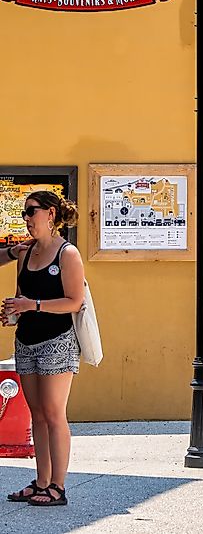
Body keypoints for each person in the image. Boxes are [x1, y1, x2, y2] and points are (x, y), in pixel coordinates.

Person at [1, 190, 85, 507]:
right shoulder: (25, 253)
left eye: (31, 211)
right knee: (35, 414)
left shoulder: (68, 254)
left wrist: (32, 304)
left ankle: (58, 487)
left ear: (50, 214)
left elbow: (73, 302)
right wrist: (13, 313)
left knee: (53, 413)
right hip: (26, 341)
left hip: (57, 342)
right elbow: (21, 296)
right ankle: (41, 482)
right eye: (24, 213)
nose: (26, 219)